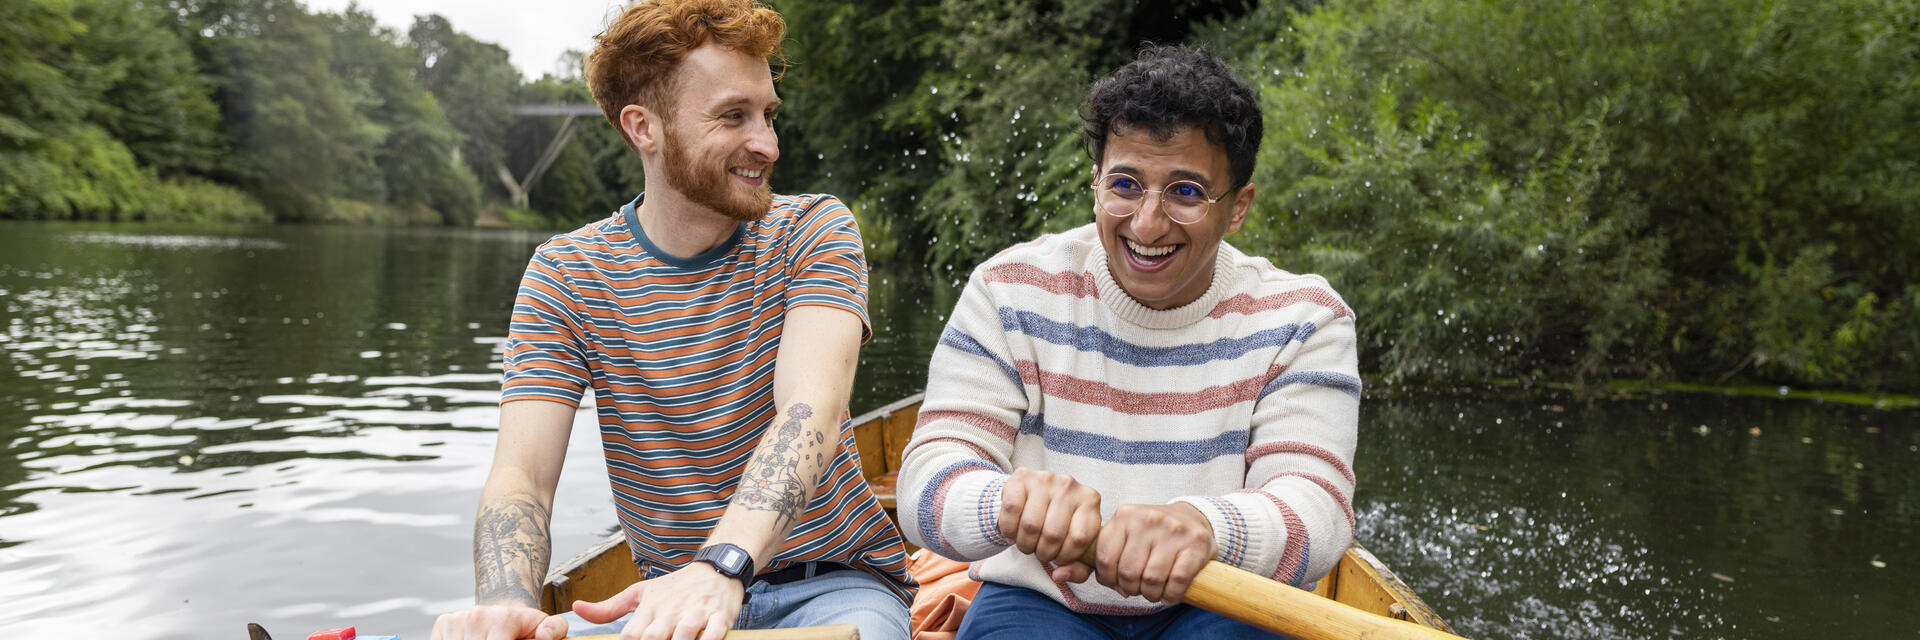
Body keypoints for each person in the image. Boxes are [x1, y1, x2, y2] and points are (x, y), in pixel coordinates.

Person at [429, 1, 913, 639]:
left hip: (831, 591)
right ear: (644, 128)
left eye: (768, 114)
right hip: (666, 605)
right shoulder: (566, 274)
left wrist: (723, 565)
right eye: (733, 116)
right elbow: (522, 474)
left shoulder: (813, 230)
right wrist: (505, 601)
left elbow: (810, 411)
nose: (767, 142)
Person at [897, 44, 1360, 639]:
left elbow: (1316, 506)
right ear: (1096, 185)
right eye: (1125, 184)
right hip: (1044, 603)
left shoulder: (1305, 319)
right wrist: (1006, 501)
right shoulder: (1007, 290)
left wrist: (1206, 528)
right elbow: (926, 481)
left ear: (1238, 207)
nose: (1146, 224)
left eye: (1186, 192)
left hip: (1223, 601)